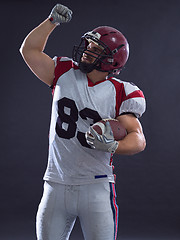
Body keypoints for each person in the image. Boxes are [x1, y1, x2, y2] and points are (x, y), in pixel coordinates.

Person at [20, 3, 146, 240]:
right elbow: (29, 50)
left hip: (95, 186)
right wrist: (51, 22)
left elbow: (138, 140)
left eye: (95, 48)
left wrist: (113, 146)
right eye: (88, 45)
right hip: (55, 183)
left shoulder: (121, 91)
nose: (86, 50)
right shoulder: (63, 71)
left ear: (111, 59)